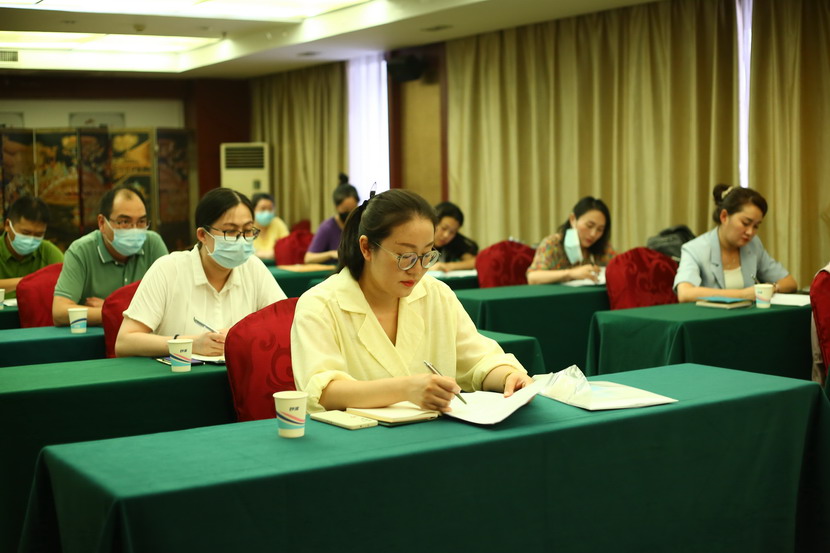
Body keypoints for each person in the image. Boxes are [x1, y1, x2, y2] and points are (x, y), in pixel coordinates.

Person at [291, 188, 532, 414]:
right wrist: (405, 389)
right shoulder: (320, 305)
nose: (417, 270)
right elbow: (322, 392)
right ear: (366, 248)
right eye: (405, 256)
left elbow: (479, 360)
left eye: (426, 255)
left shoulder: (436, 295)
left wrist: (507, 376)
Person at [116, 188, 287, 358]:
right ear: (203, 235)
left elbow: (285, 325)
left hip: (238, 374)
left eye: (248, 230)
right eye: (230, 231)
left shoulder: (253, 267)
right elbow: (124, 342)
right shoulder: (168, 269)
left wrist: (244, 335)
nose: (241, 240)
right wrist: (191, 344)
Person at [52, 185, 168, 326]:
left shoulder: (153, 244)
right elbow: (60, 312)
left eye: (141, 222)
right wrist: (123, 312)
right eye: (124, 222)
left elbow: (171, 303)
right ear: (102, 223)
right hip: (98, 337)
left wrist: (110, 308)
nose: (135, 230)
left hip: (143, 336)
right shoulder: (80, 250)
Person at [674, 184, 797, 303]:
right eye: (745, 223)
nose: (750, 232)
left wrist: (772, 288)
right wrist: (743, 295)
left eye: (756, 226)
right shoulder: (694, 249)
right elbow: (685, 293)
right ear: (724, 216)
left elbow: (789, 282)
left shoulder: (753, 245)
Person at [527, 196, 616, 284]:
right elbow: (533, 277)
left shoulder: (604, 247)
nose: (593, 234)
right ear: (573, 219)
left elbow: (619, 268)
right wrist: (570, 273)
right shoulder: (553, 243)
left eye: (600, 229)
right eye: (589, 226)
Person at [0, 196, 64, 298]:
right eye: (25, 233)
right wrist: (30, 281)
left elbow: (67, 283)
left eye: (38, 234)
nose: (31, 239)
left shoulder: (49, 252)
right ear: (7, 225)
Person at [304, 174, 359, 265]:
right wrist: (331, 254)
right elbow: (308, 258)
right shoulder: (328, 227)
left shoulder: (361, 224)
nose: (349, 214)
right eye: (345, 210)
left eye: (353, 209)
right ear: (337, 207)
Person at [430, 201, 479, 272]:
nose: (446, 235)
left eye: (452, 232)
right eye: (444, 228)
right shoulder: (420, 240)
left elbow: (474, 262)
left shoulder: (455, 241)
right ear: (433, 223)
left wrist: (447, 266)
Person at [250, 192, 289, 260]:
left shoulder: (278, 223)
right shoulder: (247, 226)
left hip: (276, 264)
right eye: (263, 209)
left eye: (270, 209)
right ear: (253, 210)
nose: (267, 213)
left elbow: (287, 246)